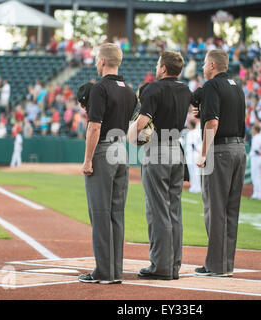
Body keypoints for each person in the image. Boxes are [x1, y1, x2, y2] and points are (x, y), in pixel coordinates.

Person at [127, 51, 192, 281]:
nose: (156, 67)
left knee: (157, 210)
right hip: (177, 149)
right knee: (174, 210)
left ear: (163, 68)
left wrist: (131, 136)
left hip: (158, 149)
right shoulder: (186, 89)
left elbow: (144, 122)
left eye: (158, 64)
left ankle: (160, 266)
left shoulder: (153, 89)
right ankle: (173, 265)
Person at [78, 43, 137, 285]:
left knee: (100, 214)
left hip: (103, 150)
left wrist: (88, 159)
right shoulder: (130, 91)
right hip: (121, 150)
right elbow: (138, 129)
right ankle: (115, 270)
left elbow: (94, 126)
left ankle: (104, 271)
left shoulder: (99, 88)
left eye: (96, 59)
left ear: (102, 61)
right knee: (116, 214)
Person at [194, 49, 246, 278]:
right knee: (231, 210)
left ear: (213, 65)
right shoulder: (237, 86)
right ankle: (226, 264)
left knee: (215, 209)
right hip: (239, 149)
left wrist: (203, 153)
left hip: (221, 150)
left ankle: (215, 266)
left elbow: (213, 122)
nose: (203, 67)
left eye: (205, 64)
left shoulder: (212, 86)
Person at [249, 124, 261, 200]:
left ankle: (257, 194)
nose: (252, 131)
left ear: (256, 130)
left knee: (255, 176)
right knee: (260, 177)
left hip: (257, 158)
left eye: (253, 129)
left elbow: (256, 150)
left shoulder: (256, 137)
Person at [185, 119, 202, 193]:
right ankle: (194, 186)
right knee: (193, 171)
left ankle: (197, 187)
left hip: (193, 154)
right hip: (193, 154)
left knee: (195, 171)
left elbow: (193, 145)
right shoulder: (195, 132)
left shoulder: (192, 133)